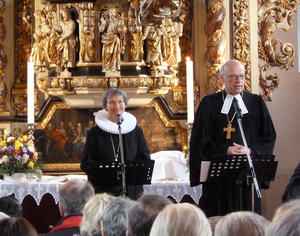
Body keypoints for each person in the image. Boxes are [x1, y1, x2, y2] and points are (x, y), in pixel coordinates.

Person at [190, 59, 276, 217]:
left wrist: (250, 150)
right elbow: (199, 141)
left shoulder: (256, 103)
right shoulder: (209, 104)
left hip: (246, 180)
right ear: (222, 77)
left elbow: (268, 136)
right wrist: (226, 150)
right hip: (218, 183)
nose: (239, 81)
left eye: (242, 76)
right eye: (233, 77)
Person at [81, 88, 150, 199]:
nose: (116, 106)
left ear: (125, 104)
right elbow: (86, 163)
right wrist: (107, 172)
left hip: (132, 193)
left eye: (120, 102)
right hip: (103, 193)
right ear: (105, 106)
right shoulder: (94, 133)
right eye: (112, 102)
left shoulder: (136, 131)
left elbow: (145, 159)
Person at [99, 8, 126, 72]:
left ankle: (114, 66)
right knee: (108, 53)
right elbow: (101, 30)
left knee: (115, 54)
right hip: (107, 39)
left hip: (115, 39)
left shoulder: (118, 21)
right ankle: (106, 66)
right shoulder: (106, 21)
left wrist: (122, 28)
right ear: (108, 13)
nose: (112, 14)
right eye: (110, 12)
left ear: (115, 13)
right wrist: (102, 23)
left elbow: (122, 31)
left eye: (113, 12)